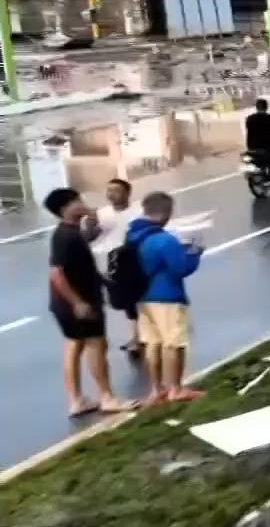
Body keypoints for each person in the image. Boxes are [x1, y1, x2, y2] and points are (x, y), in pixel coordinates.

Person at [45, 188, 134, 417]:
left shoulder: (69, 233)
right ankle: (107, 397)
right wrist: (78, 302)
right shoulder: (65, 236)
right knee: (97, 345)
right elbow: (56, 273)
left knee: (74, 345)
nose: (81, 202)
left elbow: (79, 249)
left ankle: (77, 400)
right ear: (65, 208)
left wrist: (90, 225)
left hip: (65, 303)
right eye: (76, 200)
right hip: (79, 301)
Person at [126, 192, 203, 404]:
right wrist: (195, 253)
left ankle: (156, 388)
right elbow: (181, 268)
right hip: (167, 297)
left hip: (142, 297)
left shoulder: (133, 236)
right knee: (174, 343)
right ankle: (176, 389)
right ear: (166, 213)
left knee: (152, 342)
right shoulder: (164, 240)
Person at [89, 178, 141, 355]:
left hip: (133, 259)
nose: (111, 194)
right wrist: (91, 224)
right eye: (109, 190)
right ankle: (138, 336)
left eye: (116, 190)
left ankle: (139, 337)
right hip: (109, 262)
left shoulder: (139, 211)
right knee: (121, 301)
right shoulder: (102, 214)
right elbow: (89, 237)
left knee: (136, 300)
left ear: (128, 193)